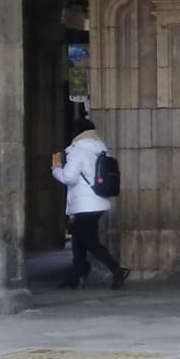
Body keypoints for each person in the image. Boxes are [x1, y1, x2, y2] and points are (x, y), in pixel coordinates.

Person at [51, 116, 129, 290]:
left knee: (88, 240)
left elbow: (69, 177)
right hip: (98, 201)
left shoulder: (77, 150)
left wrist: (56, 169)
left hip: (84, 204)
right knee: (79, 238)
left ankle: (116, 269)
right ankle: (77, 275)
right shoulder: (101, 149)